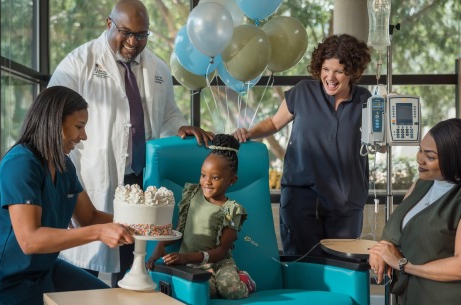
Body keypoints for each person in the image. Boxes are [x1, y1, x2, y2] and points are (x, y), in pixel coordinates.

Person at [47, 0, 212, 286]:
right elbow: (51, 116)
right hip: (93, 177)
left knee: (132, 260)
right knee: (83, 265)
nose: (134, 42)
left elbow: (170, 113)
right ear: (109, 24)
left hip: (138, 180)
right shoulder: (79, 62)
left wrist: (179, 126)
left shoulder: (158, 68)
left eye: (142, 35)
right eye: (126, 32)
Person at [0, 86, 134, 305]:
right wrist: (99, 233)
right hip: (7, 283)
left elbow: (90, 217)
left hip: (44, 269)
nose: (83, 136)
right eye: (79, 126)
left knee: (110, 301)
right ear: (55, 122)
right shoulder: (20, 164)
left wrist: (144, 225)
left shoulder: (64, 165)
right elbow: (30, 240)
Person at [233, 34, 372, 256]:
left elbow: (378, 140)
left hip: (346, 202)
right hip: (301, 198)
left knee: (342, 268)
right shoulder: (303, 91)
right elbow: (273, 122)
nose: (331, 77)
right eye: (326, 69)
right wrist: (249, 132)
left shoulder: (366, 100)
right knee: (302, 264)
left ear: (353, 71)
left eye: (339, 71)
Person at [146, 134, 256, 299]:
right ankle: (213, 281)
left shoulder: (233, 210)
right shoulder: (192, 194)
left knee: (230, 289)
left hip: (219, 263)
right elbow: (180, 230)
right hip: (192, 265)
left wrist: (185, 257)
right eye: (203, 175)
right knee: (203, 291)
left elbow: (221, 251)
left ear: (232, 180)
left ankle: (244, 280)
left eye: (215, 177)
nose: (207, 182)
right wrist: (162, 244)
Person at [368, 118, 461, 305]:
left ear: (455, 159)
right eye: (420, 150)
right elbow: (400, 228)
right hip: (409, 295)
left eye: (430, 156)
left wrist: (403, 265)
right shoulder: (421, 184)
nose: (419, 158)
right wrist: (380, 250)